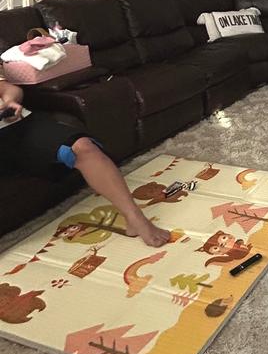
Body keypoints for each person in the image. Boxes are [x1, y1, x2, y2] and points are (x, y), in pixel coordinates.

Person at [0, 72, 170, 247]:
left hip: (16, 124)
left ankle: (134, 217)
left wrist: (9, 101)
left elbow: (10, 89)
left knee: (83, 147)